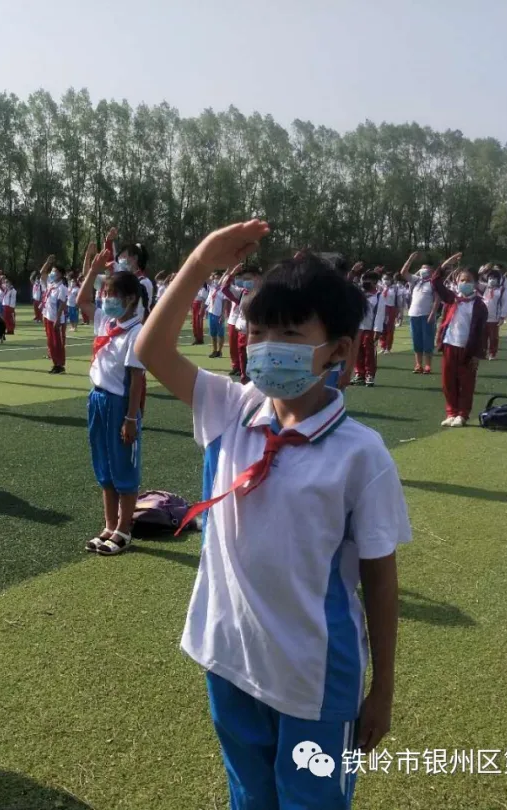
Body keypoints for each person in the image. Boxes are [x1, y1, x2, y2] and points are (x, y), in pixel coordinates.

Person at [136, 220, 408, 810]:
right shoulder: (231, 408)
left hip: (313, 678)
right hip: (228, 655)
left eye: (288, 333)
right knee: (249, 797)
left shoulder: (361, 454)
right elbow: (150, 349)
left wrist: (382, 689)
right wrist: (203, 257)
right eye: (258, 333)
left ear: (339, 349)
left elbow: (381, 581)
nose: (266, 347)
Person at [78, 246, 146, 556]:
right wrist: (92, 270)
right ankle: (109, 524)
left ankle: (124, 529)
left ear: (131, 298)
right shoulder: (106, 321)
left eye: (112, 294)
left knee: (123, 468)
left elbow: (137, 379)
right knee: (104, 465)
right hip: (98, 400)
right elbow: (82, 301)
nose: (106, 300)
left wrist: (131, 418)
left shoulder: (136, 332)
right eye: (104, 294)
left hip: (120, 404)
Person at [433, 266, 487, 426]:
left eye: (469, 280)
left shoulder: (479, 306)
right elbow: (436, 282)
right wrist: (444, 266)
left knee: (466, 383)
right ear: (457, 282)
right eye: (462, 280)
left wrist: (477, 355)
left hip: (467, 349)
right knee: (448, 381)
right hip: (450, 344)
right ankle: (451, 412)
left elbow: (481, 333)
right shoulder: (452, 299)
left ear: (476, 283)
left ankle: (462, 414)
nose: (465, 283)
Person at [400, 251, 459, 375]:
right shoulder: (415, 280)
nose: (423, 271)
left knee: (427, 340)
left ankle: (427, 365)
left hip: (427, 315)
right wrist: (410, 259)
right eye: (421, 269)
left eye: (426, 269)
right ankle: (418, 364)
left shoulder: (432, 283)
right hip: (413, 314)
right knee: (417, 340)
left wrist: (433, 313)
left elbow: (437, 299)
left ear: (431, 272)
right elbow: (403, 273)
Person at [40, 256, 67, 374]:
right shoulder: (51, 284)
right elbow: (42, 273)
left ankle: (60, 365)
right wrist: (48, 262)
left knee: (57, 343)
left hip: (55, 318)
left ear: (61, 274)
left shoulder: (62, 287)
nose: (52, 273)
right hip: (47, 315)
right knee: (50, 342)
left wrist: (57, 319)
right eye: (52, 271)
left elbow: (62, 304)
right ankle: (55, 363)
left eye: (55, 271)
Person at [481, 266, 507, 360]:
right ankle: (483, 352)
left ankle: (492, 353)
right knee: (483, 336)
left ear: (498, 280)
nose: (491, 280)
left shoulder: (501, 290)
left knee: (493, 338)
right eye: (490, 278)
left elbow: (504, 303)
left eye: (494, 278)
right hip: (484, 317)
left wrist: (502, 317)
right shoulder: (484, 289)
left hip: (495, 318)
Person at [205, 273, 227, 358]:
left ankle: (220, 351)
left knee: (220, 334)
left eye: (218, 278)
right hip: (211, 313)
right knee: (213, 334)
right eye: (215, 278)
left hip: (218, 314)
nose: (216, 280)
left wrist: (222, 314)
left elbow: (225, 302)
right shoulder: (212, 287)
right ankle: (214, 350)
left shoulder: (223, 289)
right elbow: (206, 278)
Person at [192, 282, 208, 346]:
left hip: (199, 306)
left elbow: (204, 300)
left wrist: (201, 309)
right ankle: (196, 338)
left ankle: (200, 339)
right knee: (194, 323)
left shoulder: (204, 289)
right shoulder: (197, 289)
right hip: (195, 305)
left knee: (198, 323)